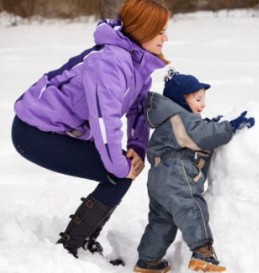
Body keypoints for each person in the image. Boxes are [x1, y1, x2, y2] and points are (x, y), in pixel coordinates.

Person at [10, 0, 170, 262]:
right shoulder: (110, 63)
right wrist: (119, 164)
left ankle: (82, 242)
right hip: (33, 132)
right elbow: (104, 119)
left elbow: (138, 110)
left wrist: (137, 148)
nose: (166, 37)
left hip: (61, 131)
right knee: (118, 173)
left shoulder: (139, 64)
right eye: (160, 30)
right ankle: (71, 248)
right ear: (142, 29)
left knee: (121, 170)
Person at [133, 69, 255, 273]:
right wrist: (229, 127)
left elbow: (195, 131)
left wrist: (209, 123)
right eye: (198, 99)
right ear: (181, 100)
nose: (203, 104)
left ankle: (148, 261)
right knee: (191, 206)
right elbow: (203, 137)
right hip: (176, 172)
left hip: (158, 177)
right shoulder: (180, 116)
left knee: (162, 220)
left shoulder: (173, 120)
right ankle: (202, 252)